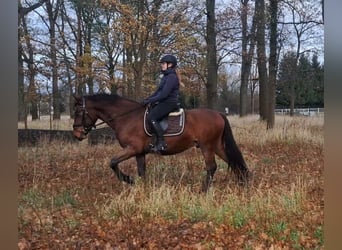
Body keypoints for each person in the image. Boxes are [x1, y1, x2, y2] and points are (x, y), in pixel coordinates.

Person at [141, 54, 180, 152]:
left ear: (170, 64)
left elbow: (163, 95)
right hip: (164, 102)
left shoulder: (171, 77)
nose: (161, 65)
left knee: (151, 117)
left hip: (169, 103)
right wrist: (146, 100)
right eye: (161, 64)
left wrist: (150, 101)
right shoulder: (165, 77)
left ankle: (161, 143)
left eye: (163, 63)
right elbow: (157, 93)